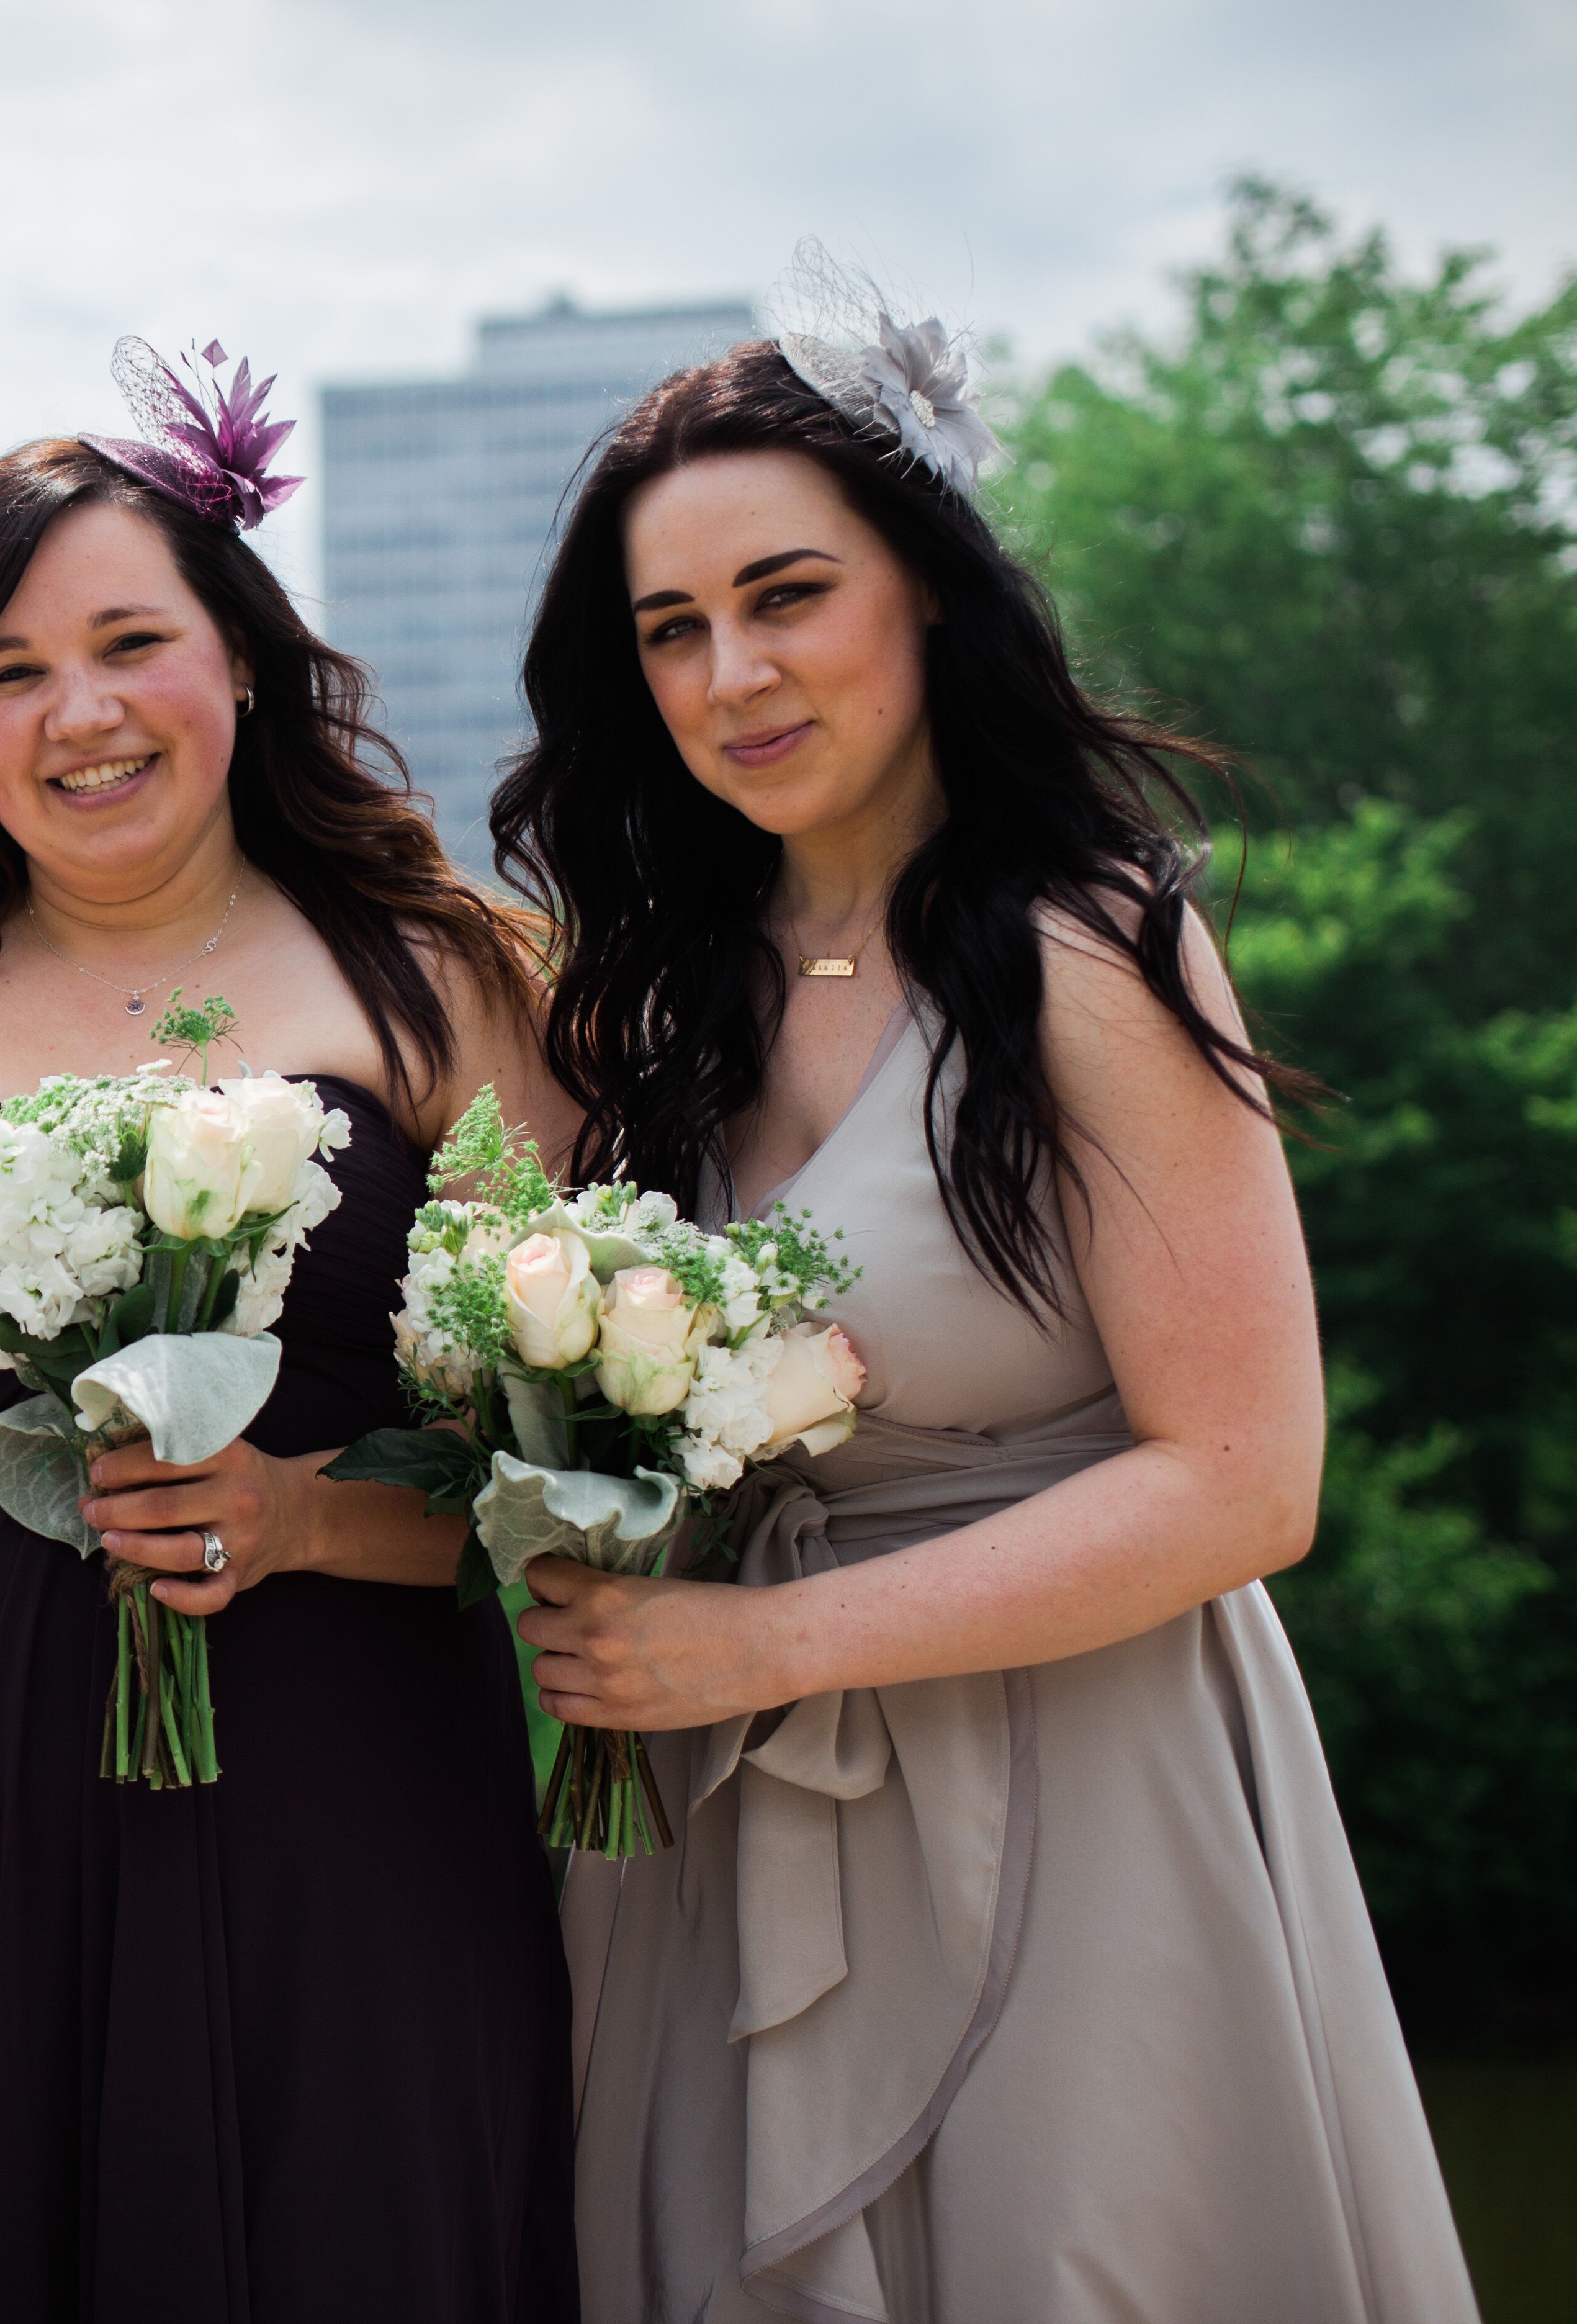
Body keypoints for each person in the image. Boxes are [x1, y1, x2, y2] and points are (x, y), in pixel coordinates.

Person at [493, 272, 1479, 2322]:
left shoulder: (1093, 947)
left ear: (925, 595)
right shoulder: (664, 997)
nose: (732, 672)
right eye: (672, 631)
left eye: (789, 596)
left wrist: (749, 1645)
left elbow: (1244, 1480)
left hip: (1077, 1793)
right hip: (708, 1834)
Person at [0, 341, 580, 2322]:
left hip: (330, 1831)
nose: (77, 713)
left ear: (245, 661)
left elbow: (573, 1470)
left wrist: (300, 1519)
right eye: (9, 671)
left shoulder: (437, 982)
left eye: (130, 643)